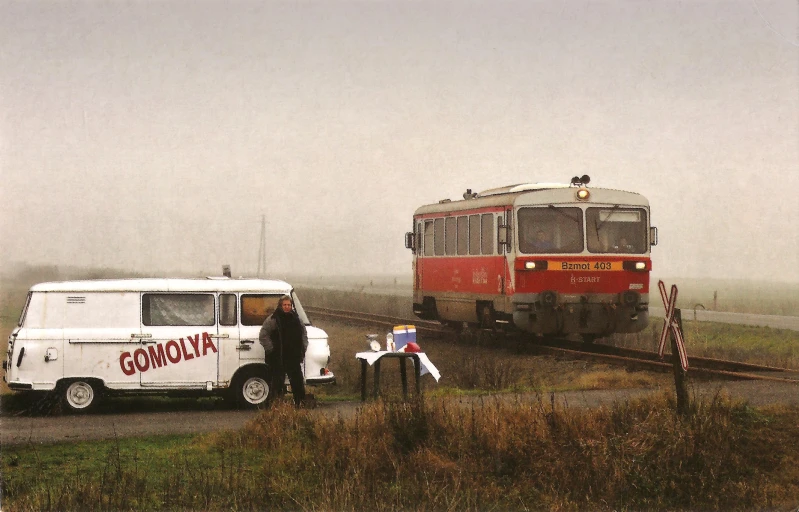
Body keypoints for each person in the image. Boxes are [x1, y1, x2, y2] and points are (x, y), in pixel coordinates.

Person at [259, 295, 308, 407]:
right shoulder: (273, 319)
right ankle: (275, 406)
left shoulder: (297, 319)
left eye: (289, 305)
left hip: (294, 357)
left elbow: (304, 334)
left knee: (297, 383)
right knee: (277, 384)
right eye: (284, 305)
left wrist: (303, 348)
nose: (287, 307)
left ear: (291, 306)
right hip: (278, 358)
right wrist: (271, 350)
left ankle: (300, 404)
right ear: (280, 306)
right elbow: (263, 335)